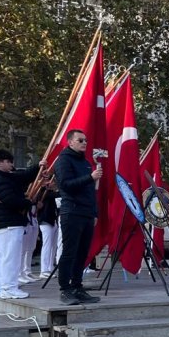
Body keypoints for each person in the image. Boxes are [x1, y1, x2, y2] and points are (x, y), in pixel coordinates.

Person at [0, 150, 42, 299]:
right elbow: (11, 200)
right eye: (8, 161)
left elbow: (23, 176)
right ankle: (9, 287)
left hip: (5, 223)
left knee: (4, 256)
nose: (12, 164)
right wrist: (29, 202)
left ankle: (0, 285)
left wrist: (38, 166)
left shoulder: (3, 177)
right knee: (11, 257)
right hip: (8, 223)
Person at [54, 130, 103, 305]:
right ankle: (65, 289)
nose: (84, 143)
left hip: (86, 213)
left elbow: (91, 192)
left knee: (82, 253)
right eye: (80, 140)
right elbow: (66, 186)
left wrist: (94, 212)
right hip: (72, 211)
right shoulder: (64, 160)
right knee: (69, 252)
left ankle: (77, 286)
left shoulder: (85, 162)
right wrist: (90, 178)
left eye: (86, 140)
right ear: (70, 142)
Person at [36, 185, 60, 279]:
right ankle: (44, 269)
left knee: (53, 246)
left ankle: (50, 267)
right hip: (45, 221)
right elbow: (55, 195)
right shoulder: (43, 192)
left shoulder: (50, 193)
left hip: (53, 221)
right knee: (47, 245)